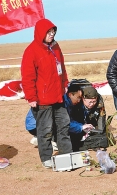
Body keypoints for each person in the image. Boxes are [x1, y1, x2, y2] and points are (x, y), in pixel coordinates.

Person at [21, 18, 72, 168]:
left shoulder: (56, 47)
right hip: (42, 99)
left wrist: (65, 84)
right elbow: (28, 77)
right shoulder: (31, 51)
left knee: (63, 125)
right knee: (45, 130)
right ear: (40, 33)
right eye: (48, 32)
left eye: (53, 31)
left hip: (58, 96)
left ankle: (66, 154)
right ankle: (46, 158)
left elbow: (61, 67)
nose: (51, 34)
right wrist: (31, 97)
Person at [67, 86, 106, 151]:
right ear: (83, 99)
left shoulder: (99, 101)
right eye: (90, 102)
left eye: (94, 101)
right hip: (77, 124)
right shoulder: (76, 102)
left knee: (103, 136)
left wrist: (99, 132)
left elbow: (101, 117)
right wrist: (81, 127)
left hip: (90, 121)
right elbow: (70, 121)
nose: (92, 104)